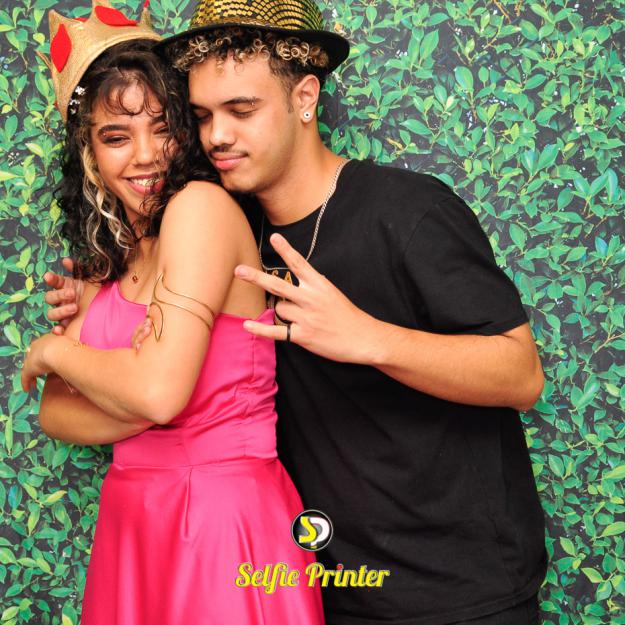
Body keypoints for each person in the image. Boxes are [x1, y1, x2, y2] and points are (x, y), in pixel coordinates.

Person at [44, 0, 548, 624]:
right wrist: (102, 303)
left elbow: (522, 375)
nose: (217, 136)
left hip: (458, 590)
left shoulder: (405, 210)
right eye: (201, 116)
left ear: (305, 98)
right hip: (320, 579)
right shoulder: (225, 226)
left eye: (241, 110)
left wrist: (368, 337)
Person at [22, 2, 324, 624]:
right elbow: (56, 413)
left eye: (162, 128)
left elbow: (158, 394)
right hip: (134, 523)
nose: (145, 155)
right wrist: (144, 391)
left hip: (218, 523)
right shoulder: (113, 262)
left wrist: (58, 352)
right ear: (88, 153)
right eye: (115, 137)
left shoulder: (200, 208)